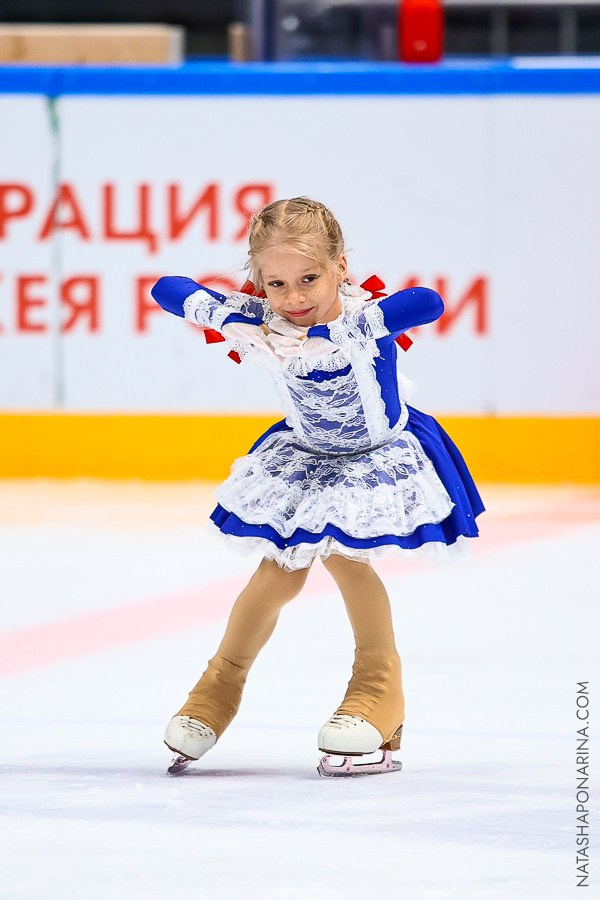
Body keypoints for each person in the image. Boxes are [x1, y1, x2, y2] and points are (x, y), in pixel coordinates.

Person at [151, 196, 484, 777]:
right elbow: (167, 289)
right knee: (277, 572)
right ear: (259, 281)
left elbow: (426, 303)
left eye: (309, 278)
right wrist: (227, 317)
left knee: (347, 559)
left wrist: (348, 328)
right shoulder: (262, 320)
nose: (294, 298)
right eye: (276, 283)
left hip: (374, 456)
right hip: (306, 458)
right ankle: (218, 688)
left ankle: (378, 690)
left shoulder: (360, 320)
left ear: (340, 267)